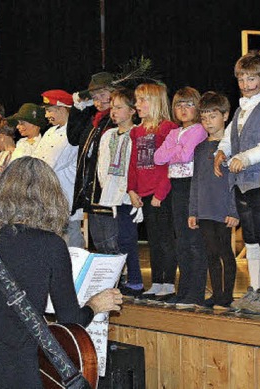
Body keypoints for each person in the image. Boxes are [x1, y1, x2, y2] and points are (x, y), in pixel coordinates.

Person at [0, 156, 124, 388]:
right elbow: (71, 319)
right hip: (14, 371)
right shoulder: (51, 245)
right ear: (52, 199)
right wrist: (95, 305)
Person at [214, 52, 260, 314]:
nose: (245, 84)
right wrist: (221, 151)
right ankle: (255, 289)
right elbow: (230, 138)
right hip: (241, 182)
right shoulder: (241, 108)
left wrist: (243, 157)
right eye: (241, 79)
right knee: (249, 237)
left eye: (251, 78)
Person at [154, 87, 208, 308]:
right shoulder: (173, 133)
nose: (183, 109)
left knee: (194, 240)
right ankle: (183, 289)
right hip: (176, 187)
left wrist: (173, 151)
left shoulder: (198, 130)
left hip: (192, 186)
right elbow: (158, 158)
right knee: (181, 241)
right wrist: (176, 148)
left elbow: (185, 155)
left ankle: (195, 292)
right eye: (179, 105)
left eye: (189, 104)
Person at [127, 83, 178, 302]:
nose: (137, 105)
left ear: (155, 102)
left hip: (161, 193)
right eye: (137, 100)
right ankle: (156, 281)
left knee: (166, 238)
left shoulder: (167, 128)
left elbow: (170, 165)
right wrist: (131, 189)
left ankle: (168, 283)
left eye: (142, 100)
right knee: (154, 240)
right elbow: (133, 163)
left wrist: (161, 191)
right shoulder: (137, 131)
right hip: (145, 192)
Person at [189, 92, 239, 309]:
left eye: (213, 116)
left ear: (225, 115)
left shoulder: (231, 147)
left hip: (223, 209)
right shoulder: (200, 149)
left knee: (225, 252)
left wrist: (234, 211)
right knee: (211, 253)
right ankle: (217, 294)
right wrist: (193, 210)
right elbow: (196, 181)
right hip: (205, 208)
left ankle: (227, 295)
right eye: (204, 117)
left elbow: (235, 182)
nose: (208, 122)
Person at [97, 87, 144, 297]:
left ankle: (135, 281)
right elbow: (102, 164)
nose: (113, 112)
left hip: (130, 194)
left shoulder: (138, 133)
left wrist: (133, 189)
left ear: (133, 110)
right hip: (112, 194)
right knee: (116, 239)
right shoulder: (108, 135)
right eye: (112, 108)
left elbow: (136, 165)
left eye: (119, 107)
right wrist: (107, 187)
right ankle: (124, 279)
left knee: (127, 238)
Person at [67, 72, 118, 253]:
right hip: (91, 187)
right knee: (98, 241)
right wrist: (79, 107)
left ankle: (119, 277)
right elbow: (73, 138)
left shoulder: (115, 121)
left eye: (103, 95)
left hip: (108, 188)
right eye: (94, 97)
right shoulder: (94, 120)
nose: (98, 101)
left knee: (112, 239)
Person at [35, 89, 85, 248]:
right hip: (49, 198)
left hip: (67, 197)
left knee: (70, 242)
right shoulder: (50, 132)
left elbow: (50, 163)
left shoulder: (72, 133)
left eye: (49, 110)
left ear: (63, 108)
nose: (46, 115)